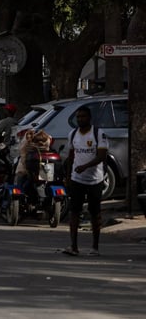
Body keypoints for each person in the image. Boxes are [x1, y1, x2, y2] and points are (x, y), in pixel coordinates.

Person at [62, 104, 109, 257]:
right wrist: (68, 177)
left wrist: (85, 166)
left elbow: (102, 156)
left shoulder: (98, 134)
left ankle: (95, 247)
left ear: (89, 118)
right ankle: (73, 246)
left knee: (95, 213)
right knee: (74, 212)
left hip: (95, 179)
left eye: (83, 116)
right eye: (78, 117)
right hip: (77, 179)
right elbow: (71, 156)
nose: (80, 119)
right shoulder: (73, 134)